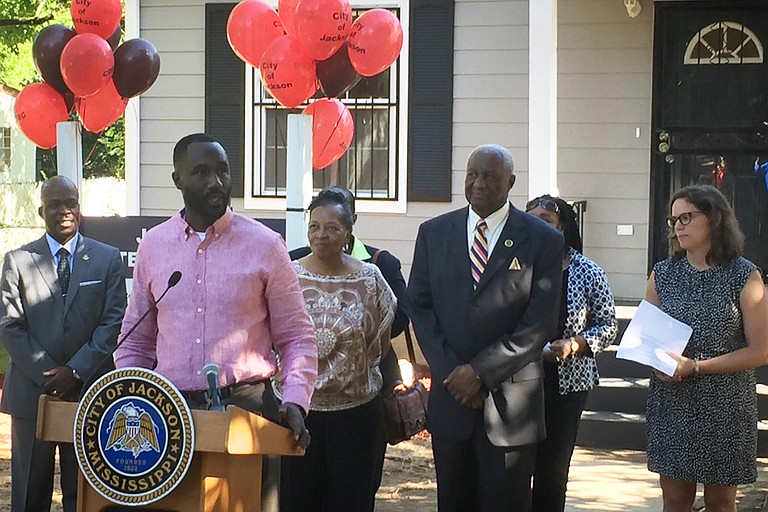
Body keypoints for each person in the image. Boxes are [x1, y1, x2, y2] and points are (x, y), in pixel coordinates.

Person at [114, 133, 318, 511]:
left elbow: (297, 337)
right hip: (169, 419)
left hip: (249, 414)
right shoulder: (154, 246)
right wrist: (134, 399)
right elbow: (134, 343)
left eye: (222, 171)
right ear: (177, 180)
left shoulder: (265, 245)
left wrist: (296, 400)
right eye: (201, 173)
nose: (215, 182)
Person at [407, 144, 564, 512]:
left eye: (490, 177)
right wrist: (453, 374)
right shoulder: (433, 233)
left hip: (511, 408)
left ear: (510, 182)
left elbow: (540, 323)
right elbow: (420, 307)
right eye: (472, 175)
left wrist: (480, 372)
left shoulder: (542, 239)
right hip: (452, 401)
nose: (478, 183)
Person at [0, 175, 127, 512]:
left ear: (80, 209)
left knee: (84, 495)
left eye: (70, 203)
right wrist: (52, 376)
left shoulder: (107, 258)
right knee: (30, 495)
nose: (64, 211)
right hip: (32, 396)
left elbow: (113, 321)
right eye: (55, 205)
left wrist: (76, 371)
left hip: (88, 396)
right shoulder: (17, 261)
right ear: (42, 212)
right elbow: (11, 327)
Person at [645, 185, 768, 512]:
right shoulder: (663, 274)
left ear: (714, 219)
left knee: (720, 502)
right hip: (672, 401)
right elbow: (646, 338)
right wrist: (656, 362)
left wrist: (696, 367)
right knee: (674, 499)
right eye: (673, 220)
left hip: (725, 405)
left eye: (687, 217)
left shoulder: (744, 275)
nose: (678, 226)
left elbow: (761, 350)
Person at [279, 189, 396, 511]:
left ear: (348, 232)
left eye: (332, 228)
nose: (321, 235)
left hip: (357, 416)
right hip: (296, 415)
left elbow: (380, 341)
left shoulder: (370, 278)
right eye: (314, 226)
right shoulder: (288, 274)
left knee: (352, 501)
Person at [526, 195, 618, 512]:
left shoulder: (587, 271)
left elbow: (608, 325)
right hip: (517, 379)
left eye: (547, 221)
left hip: (567, 383)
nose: (538, 225)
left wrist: (575, 344)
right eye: (532, 219)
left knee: (552, 472)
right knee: (515, 470)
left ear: (562, 227)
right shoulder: (512, 265)